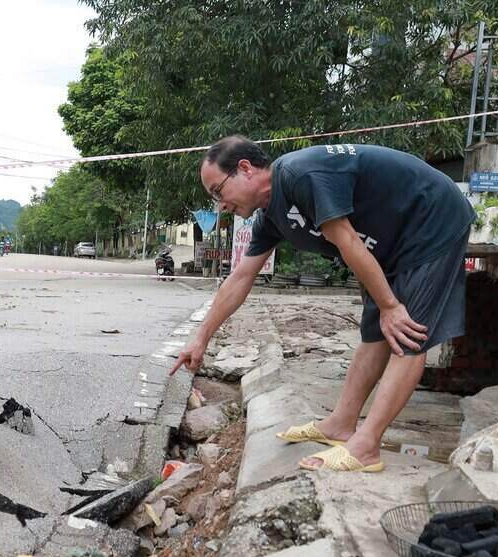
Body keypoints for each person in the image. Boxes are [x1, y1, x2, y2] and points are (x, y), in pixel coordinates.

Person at [171, 136, 475, 473]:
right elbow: (241, 278)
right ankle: (342, 424)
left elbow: (345, 239)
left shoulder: (301, 175)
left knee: (408, 332)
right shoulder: (270, 216)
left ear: (245, 169)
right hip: (388, 245)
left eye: (218, 191)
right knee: (375, 333)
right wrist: (201, 337)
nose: (220, 205)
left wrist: (390, 305)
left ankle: (367, 446)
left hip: (431, 221)